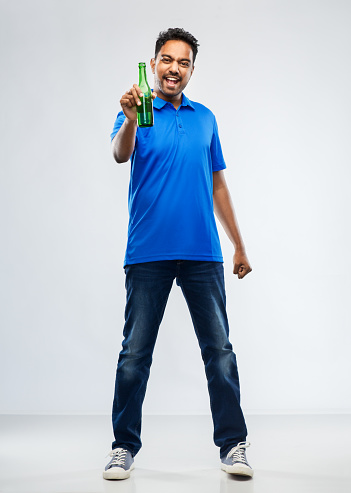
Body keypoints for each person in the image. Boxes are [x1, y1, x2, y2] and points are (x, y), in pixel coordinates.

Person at [103, 27, 253, 481]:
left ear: (191, 70)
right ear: (154, 65)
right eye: (167, 60)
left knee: (220, 352)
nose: (174, 68)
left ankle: (234, 446)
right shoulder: (137, 111)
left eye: (183, 62)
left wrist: (239, 244)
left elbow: (218, 185)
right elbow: (118, 154)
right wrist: (129, 117)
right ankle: (122, 447)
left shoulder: (205, 117)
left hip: (203, 254)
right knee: (135, 355)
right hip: (148, 251)